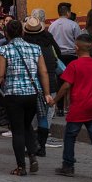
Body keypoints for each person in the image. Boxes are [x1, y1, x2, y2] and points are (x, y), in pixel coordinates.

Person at [0, 20, 52, 176]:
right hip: (32, 94)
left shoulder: (4, 50)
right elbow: (43, 72)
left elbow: (0, 74)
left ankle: (21, 166)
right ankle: (33, 155)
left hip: (14, 95)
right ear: (22, 32)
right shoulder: (36, 48)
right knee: (27, 125)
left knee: (18, 130)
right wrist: (47, 93)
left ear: (6, 33)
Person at [52, 34, 92, 179]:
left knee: (70, 136)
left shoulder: (74, 65)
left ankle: (68, 165)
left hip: (78, 106)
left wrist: (55, 100)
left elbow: (66, 86)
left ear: (76, 48)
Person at [22, 15, 62, 155]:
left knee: (31, 117)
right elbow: (59, 54)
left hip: (32, 85)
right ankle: (42, 146)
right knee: (44, 116)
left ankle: (32, 146)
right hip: (51, 83)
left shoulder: (27, 46)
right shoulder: (49, 41)